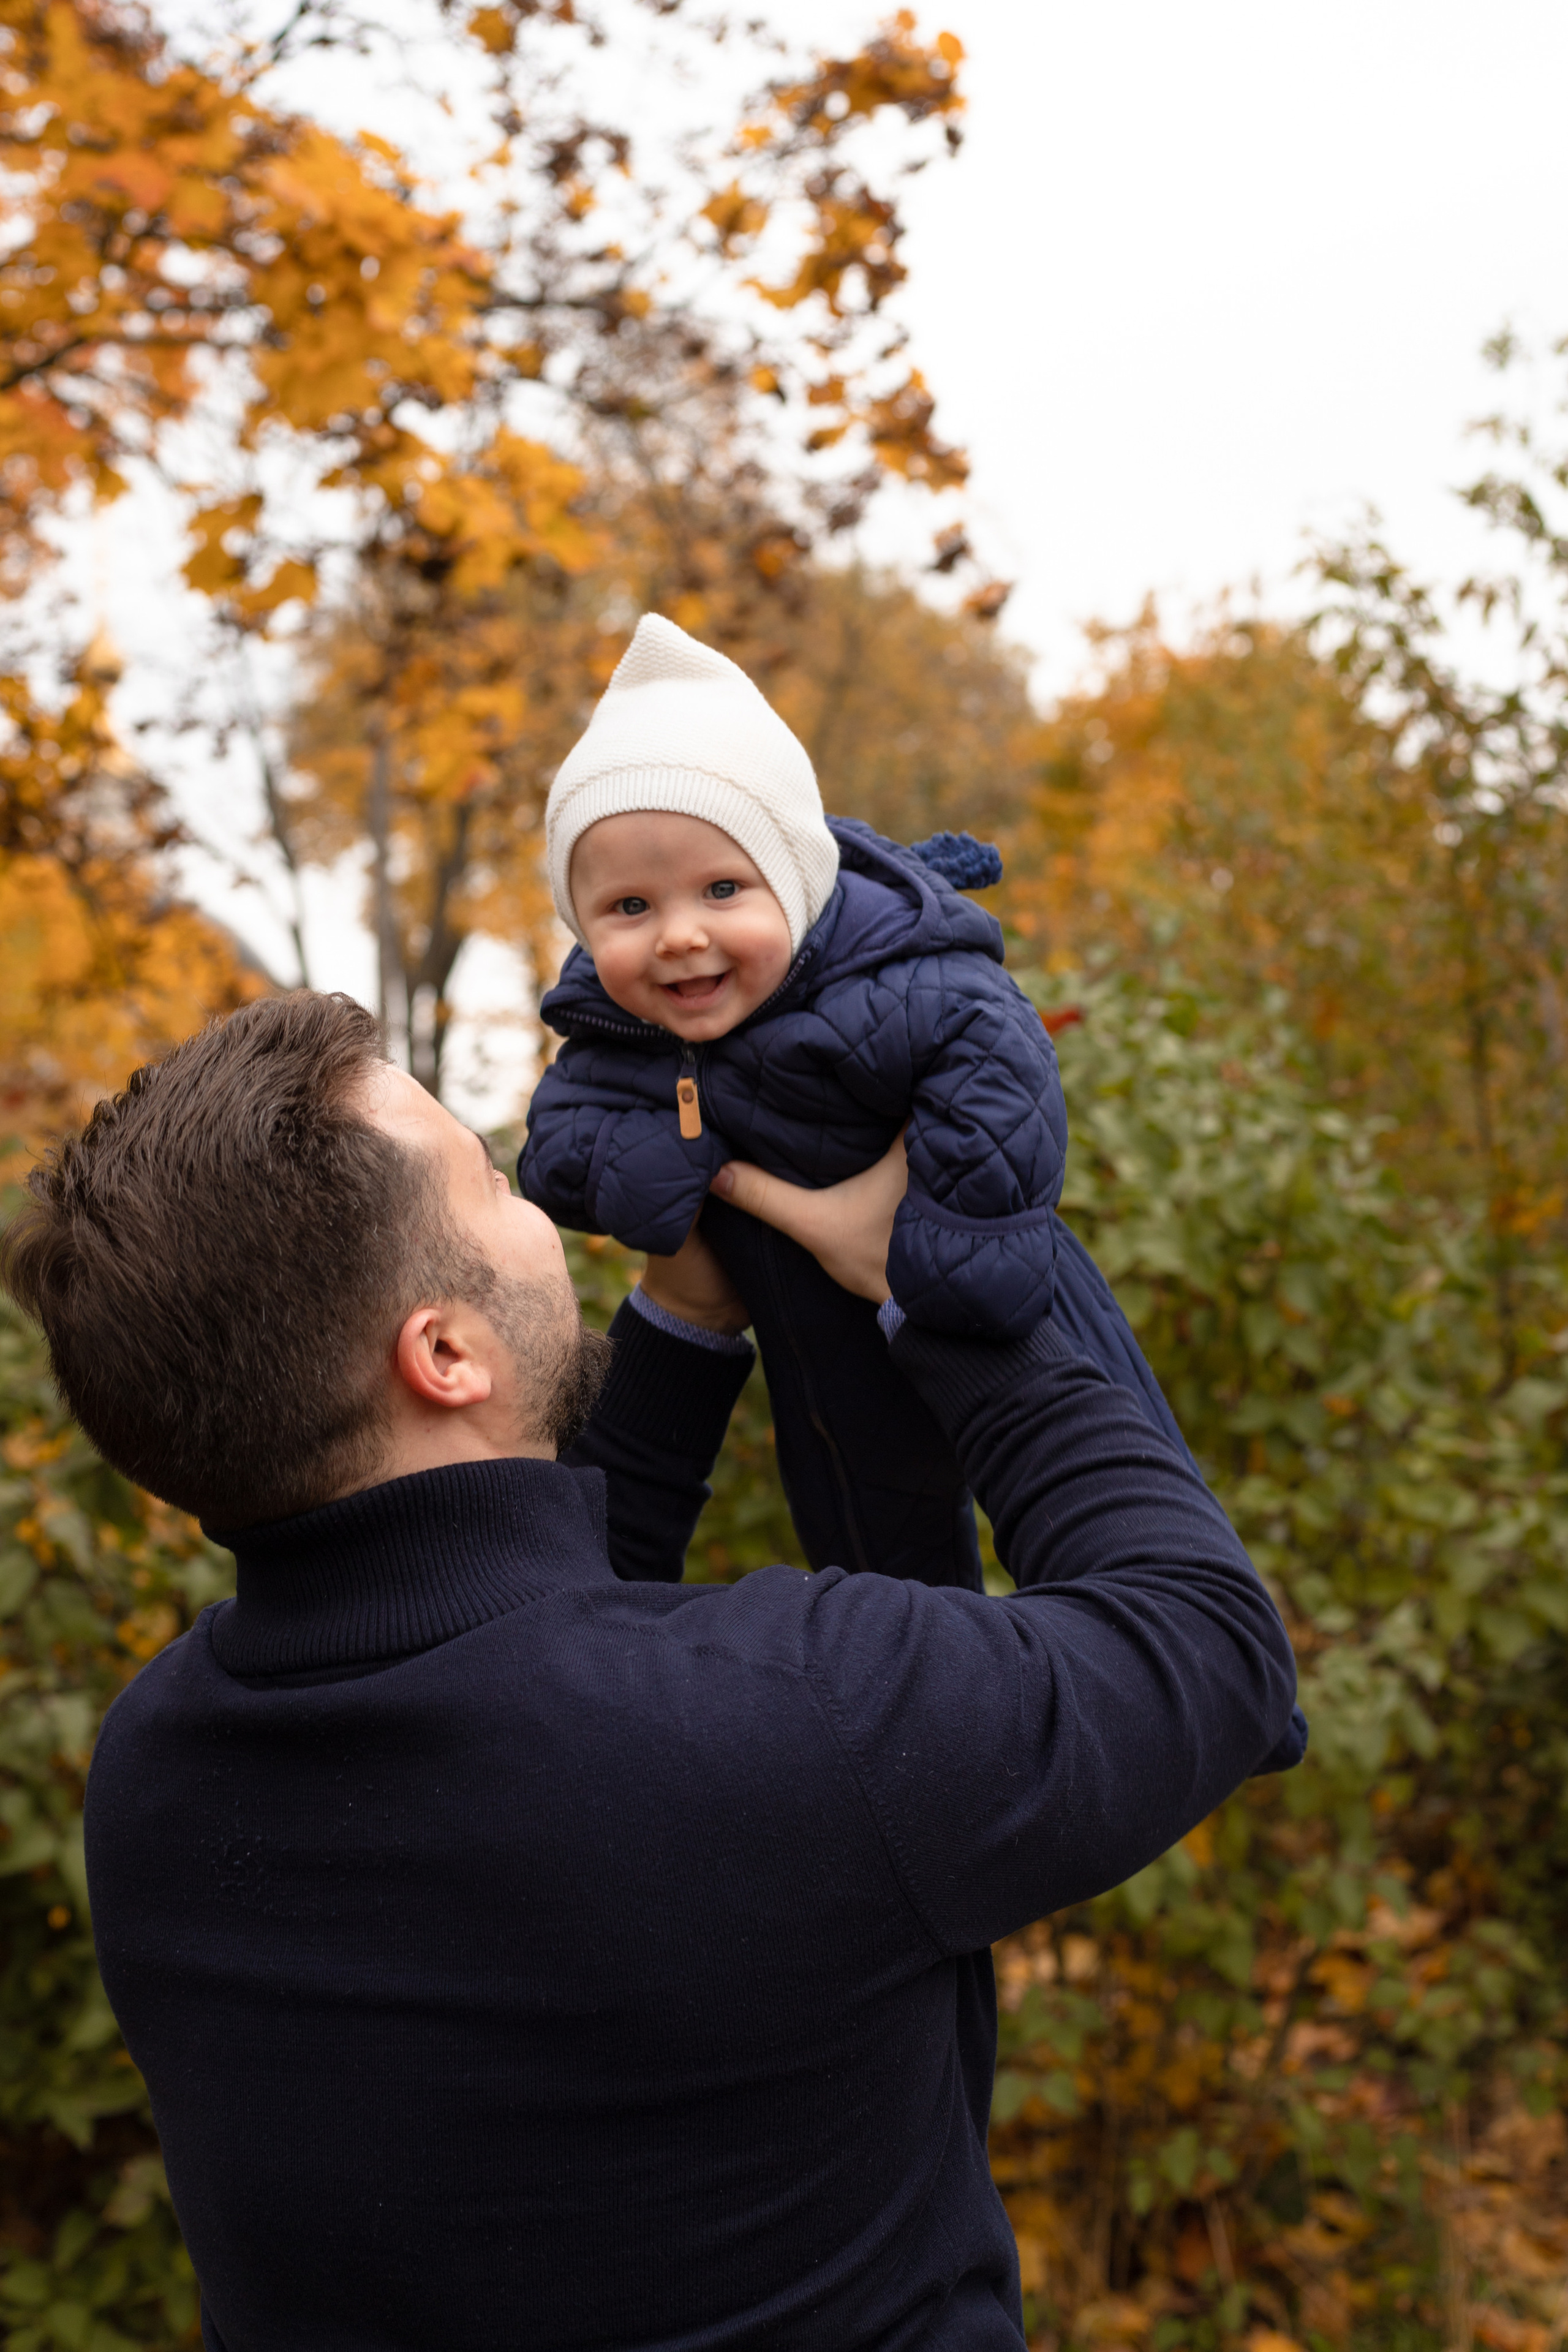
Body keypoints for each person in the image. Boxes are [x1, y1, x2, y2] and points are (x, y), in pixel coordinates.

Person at [1, 991, 1302, 2352]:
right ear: (446, 1353)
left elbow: (515, 1633)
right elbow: (1202, 1641)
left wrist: (682, 1325)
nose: (539, 1216)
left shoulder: (154, 1778)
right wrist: (949, 1281)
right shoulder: (797, 1712)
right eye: (494, 1185)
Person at [522, 613, 1197, 1593]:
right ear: (581, 926)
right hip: (815, 1345)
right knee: (880, 1556)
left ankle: (1241, 1705)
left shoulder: (893, 971)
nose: (677, 935)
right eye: (630, 908)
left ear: (795, 883)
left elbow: (1000, 1055)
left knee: (1108, 1486)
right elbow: (559, 1151)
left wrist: (951, 1255)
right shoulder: (618, 1030)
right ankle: (937, 1710)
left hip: (970, 1275)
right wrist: (653, 1181)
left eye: (722, 889)